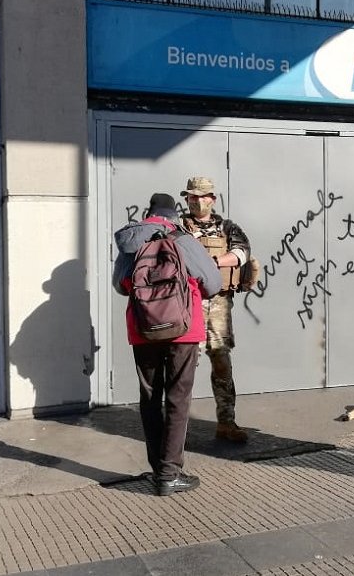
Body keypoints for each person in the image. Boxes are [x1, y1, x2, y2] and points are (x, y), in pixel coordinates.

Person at [112, 193, 222, 496]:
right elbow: (214, 284)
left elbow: (120, 285)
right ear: (173, 215)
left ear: (149, 213)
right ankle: (170, 473)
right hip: (183, 331)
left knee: (150, 397)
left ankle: (158, 468)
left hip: (143, 328)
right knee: (178, 398)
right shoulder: (184, 240)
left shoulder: (132, 242)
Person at [179, 176, 253, 444]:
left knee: (222, 361)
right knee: (185, 363)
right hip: (189, 302)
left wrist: (210, 262)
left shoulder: (227, 227)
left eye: (202, 196)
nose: (197, 201)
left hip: (220, 303)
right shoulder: (179, 227)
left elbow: (242, 252)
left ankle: (227, 422)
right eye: (192, 197)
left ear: (213, 198)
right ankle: (176, 428)